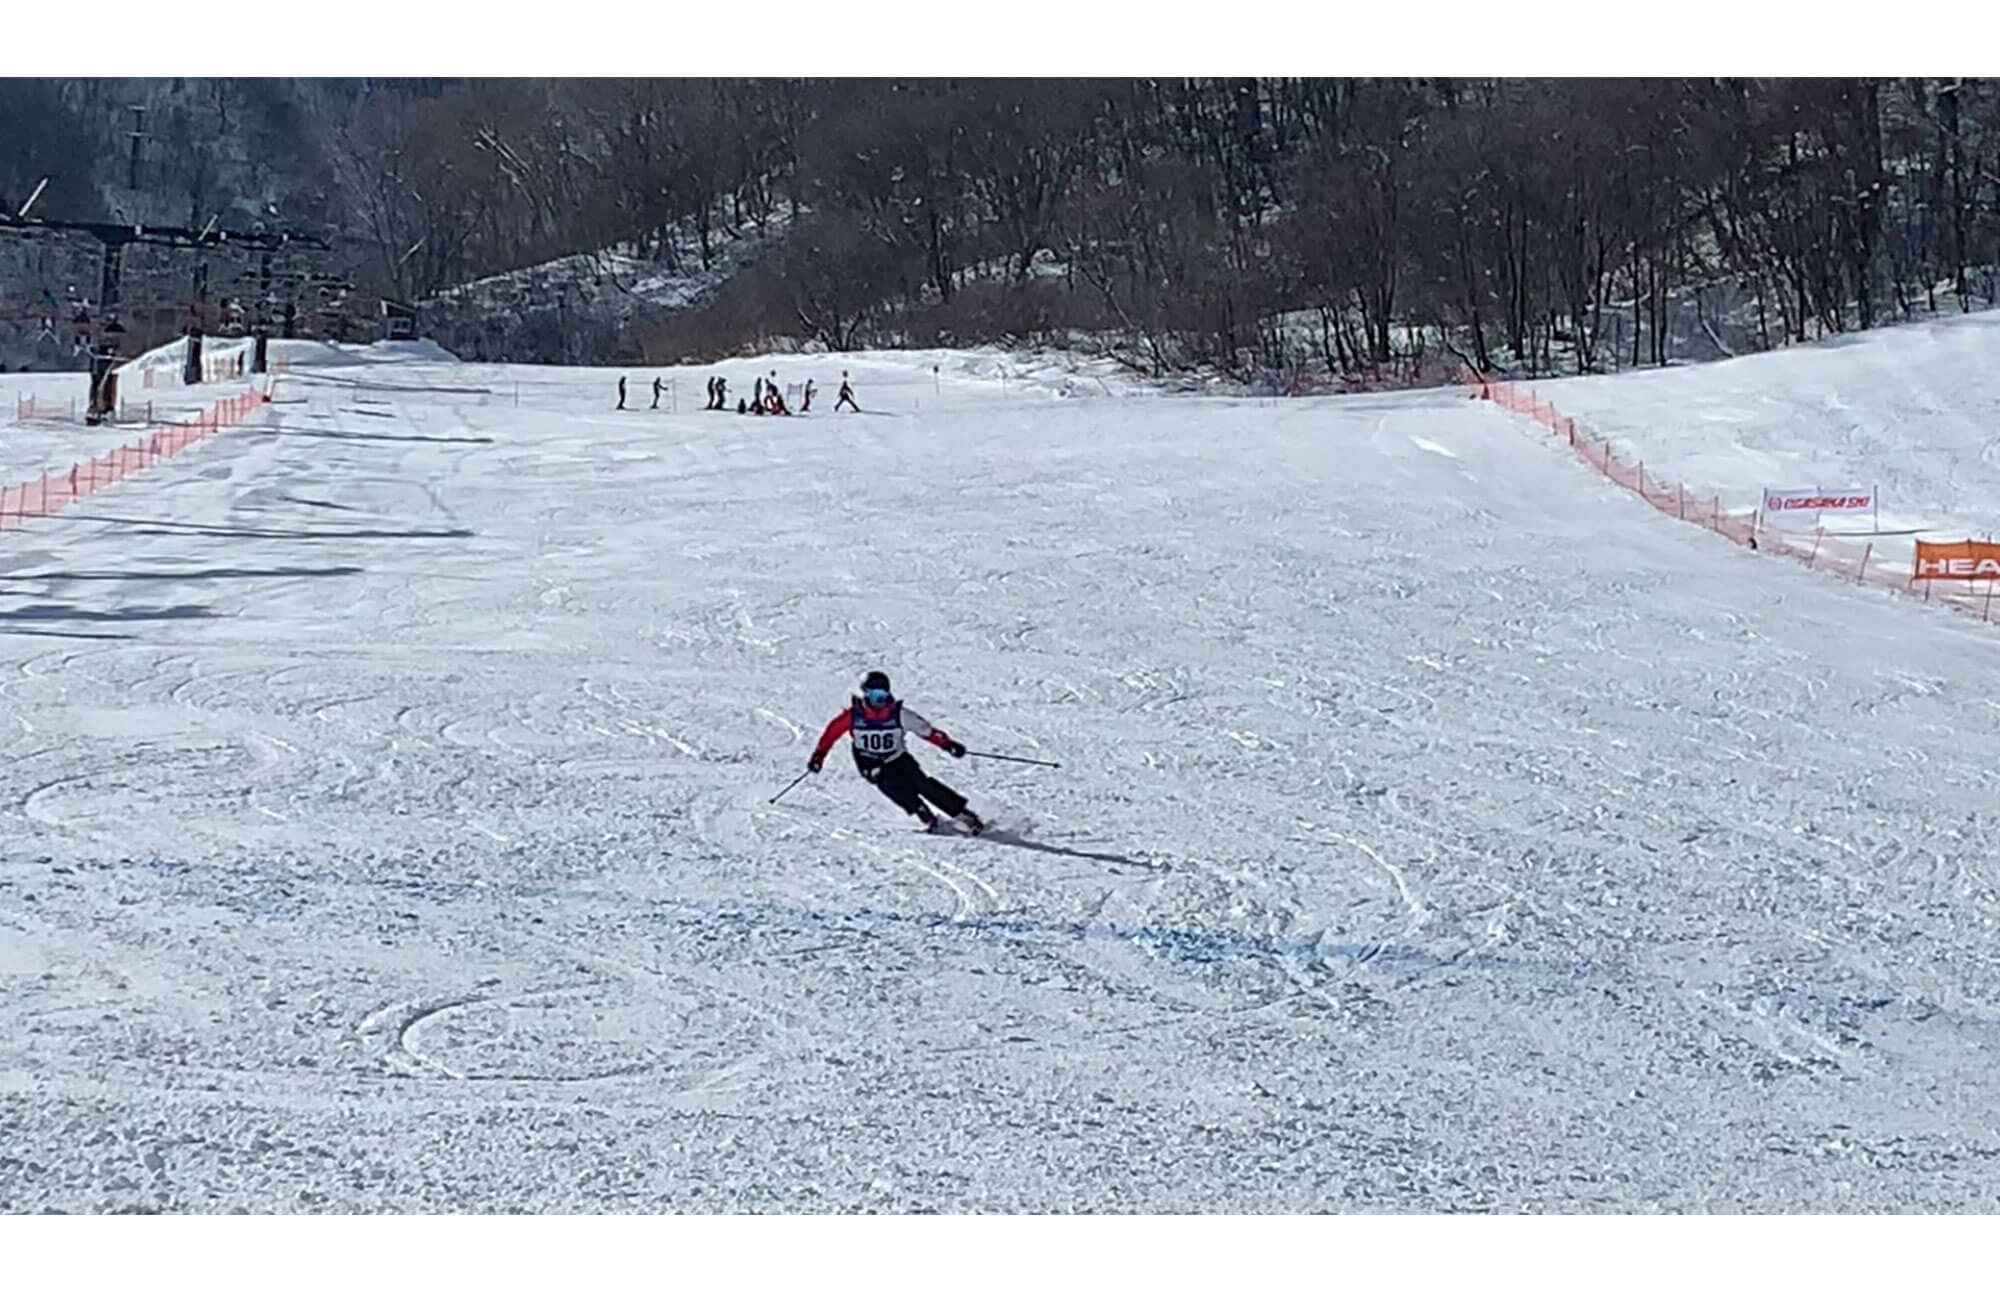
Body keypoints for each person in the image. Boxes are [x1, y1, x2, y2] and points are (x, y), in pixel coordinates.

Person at [806, 670, 983, 833]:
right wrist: (818, 757)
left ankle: (963, 814)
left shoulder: (898, 714)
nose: (879, 702)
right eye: (874, 696)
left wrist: (947, 744)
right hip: (869, 761)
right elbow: (830, 735)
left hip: (896, 756)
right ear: (865, 695)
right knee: (888, 783)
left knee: (922, 783)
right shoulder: (853, 716)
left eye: (883, 696)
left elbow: (925, 730)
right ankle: (922, 812)